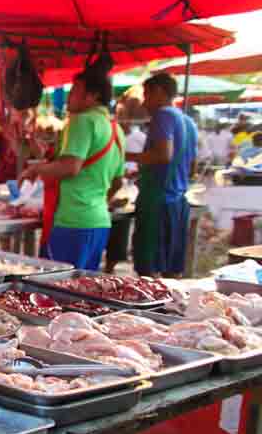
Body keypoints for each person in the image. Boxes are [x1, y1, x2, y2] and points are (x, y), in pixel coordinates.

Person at [20, 63, 123, 271]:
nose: (68, 98)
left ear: (92, 96)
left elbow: (70, 167)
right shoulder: (116, 129)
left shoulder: (82, 121)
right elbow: (118, 181)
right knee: (82, 291)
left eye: (74, 91)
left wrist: (35, 170)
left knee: (58, 290)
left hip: (72, 222)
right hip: (99, 222)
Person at [126, 73, 198, 277]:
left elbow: (163, 155)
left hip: (157, 203)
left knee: (149, 269)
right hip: (177, 202)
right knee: (170, 268)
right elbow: (192, 165)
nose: (144, 101)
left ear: (159, 92)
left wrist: (123, 155)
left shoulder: (163, 115)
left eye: (147, 94)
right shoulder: (188, 121)